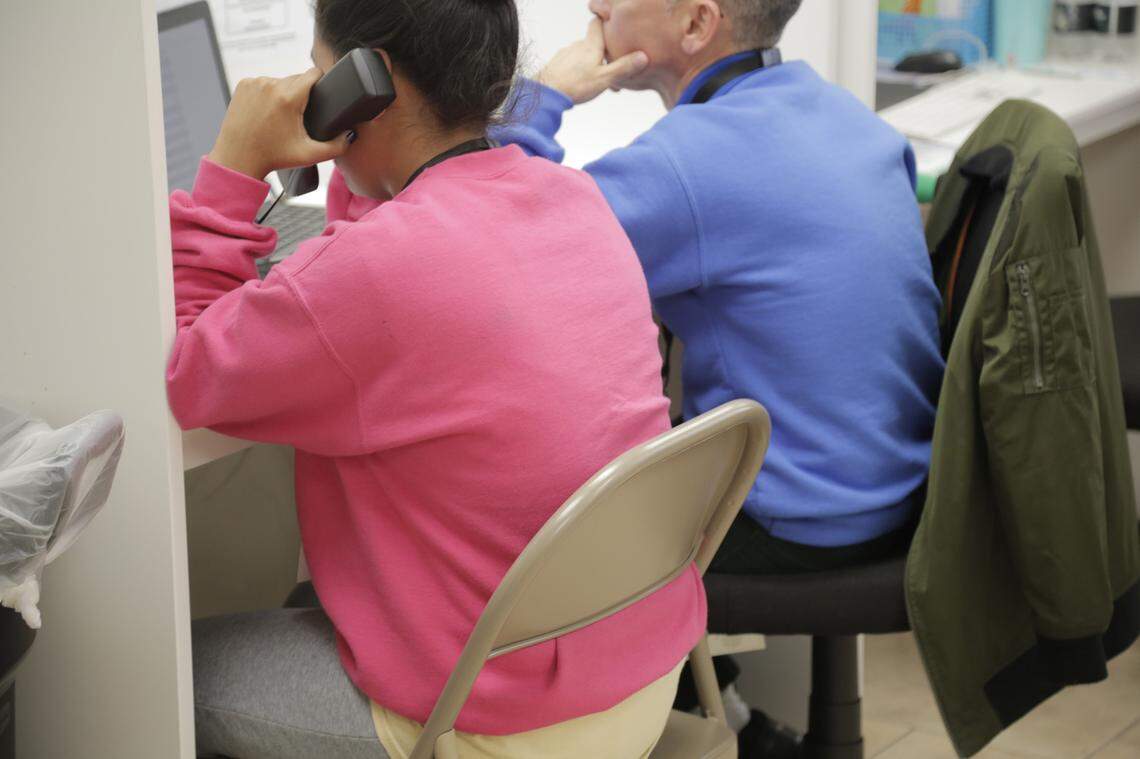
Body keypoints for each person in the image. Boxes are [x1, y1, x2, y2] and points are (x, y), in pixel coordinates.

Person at [166, 1, 704, 756]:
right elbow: (389, 257)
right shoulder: (571, 197)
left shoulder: (371, 274)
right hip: (643, 669)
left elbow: (187, 373)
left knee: (161, 673)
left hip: (500, 720)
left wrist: (231, 166)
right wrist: (368, 159)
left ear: (366, 86)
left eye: (324, 76)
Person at [491, 0, 945, 754]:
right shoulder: (844, 116)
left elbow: (491, 238)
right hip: (900, 487)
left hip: (799, 520)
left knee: (529, 538)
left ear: (698, 25)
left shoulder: (693, 161)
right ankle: (734, 719)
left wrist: (546, 95)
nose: (596, 6)